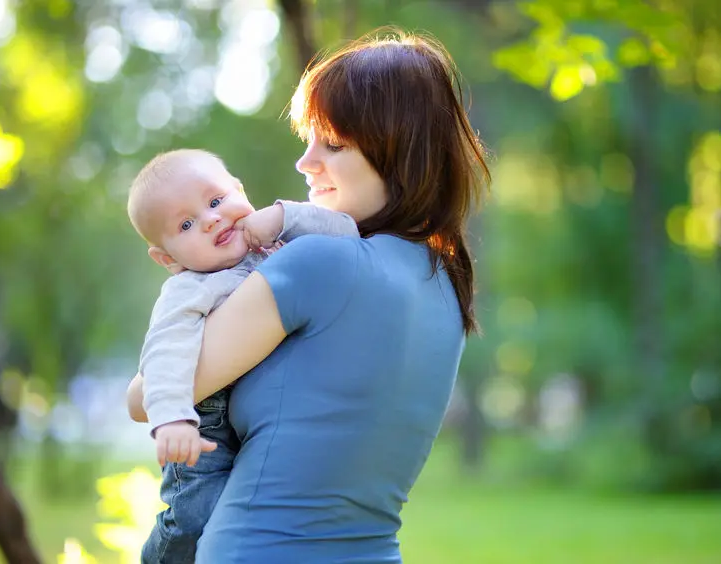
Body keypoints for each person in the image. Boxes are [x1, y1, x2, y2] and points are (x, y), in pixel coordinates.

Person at [127, 29, 490, 563]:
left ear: (400, 149)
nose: (305, 162)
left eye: (334, 144)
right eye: (310, 139)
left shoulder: (319, 263)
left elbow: (143, 398)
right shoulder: (446, 286)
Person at [125, 148, 358, 563]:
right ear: (167, 258)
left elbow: (347, 233)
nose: (211, 218)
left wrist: (283, 216)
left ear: (239, 190)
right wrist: (172, 418)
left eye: (215, 201)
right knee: (194, 519)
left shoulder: (279, 244)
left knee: (250, 526)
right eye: (185, 224)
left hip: (261, 421)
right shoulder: (189, 288)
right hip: (204, 433)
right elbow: (164, 352)